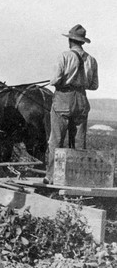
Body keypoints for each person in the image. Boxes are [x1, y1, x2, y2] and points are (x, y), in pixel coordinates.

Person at [44, 24, 99, 184]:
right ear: (82, 42)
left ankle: (51, 176)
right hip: (82, 98)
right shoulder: (92, 60)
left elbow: (54, 80)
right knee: (79, 141)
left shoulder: (64, 56)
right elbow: (94, 86)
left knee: (56, 139)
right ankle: (77, 177)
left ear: (70, 40)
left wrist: (63, 81)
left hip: (63, 97)